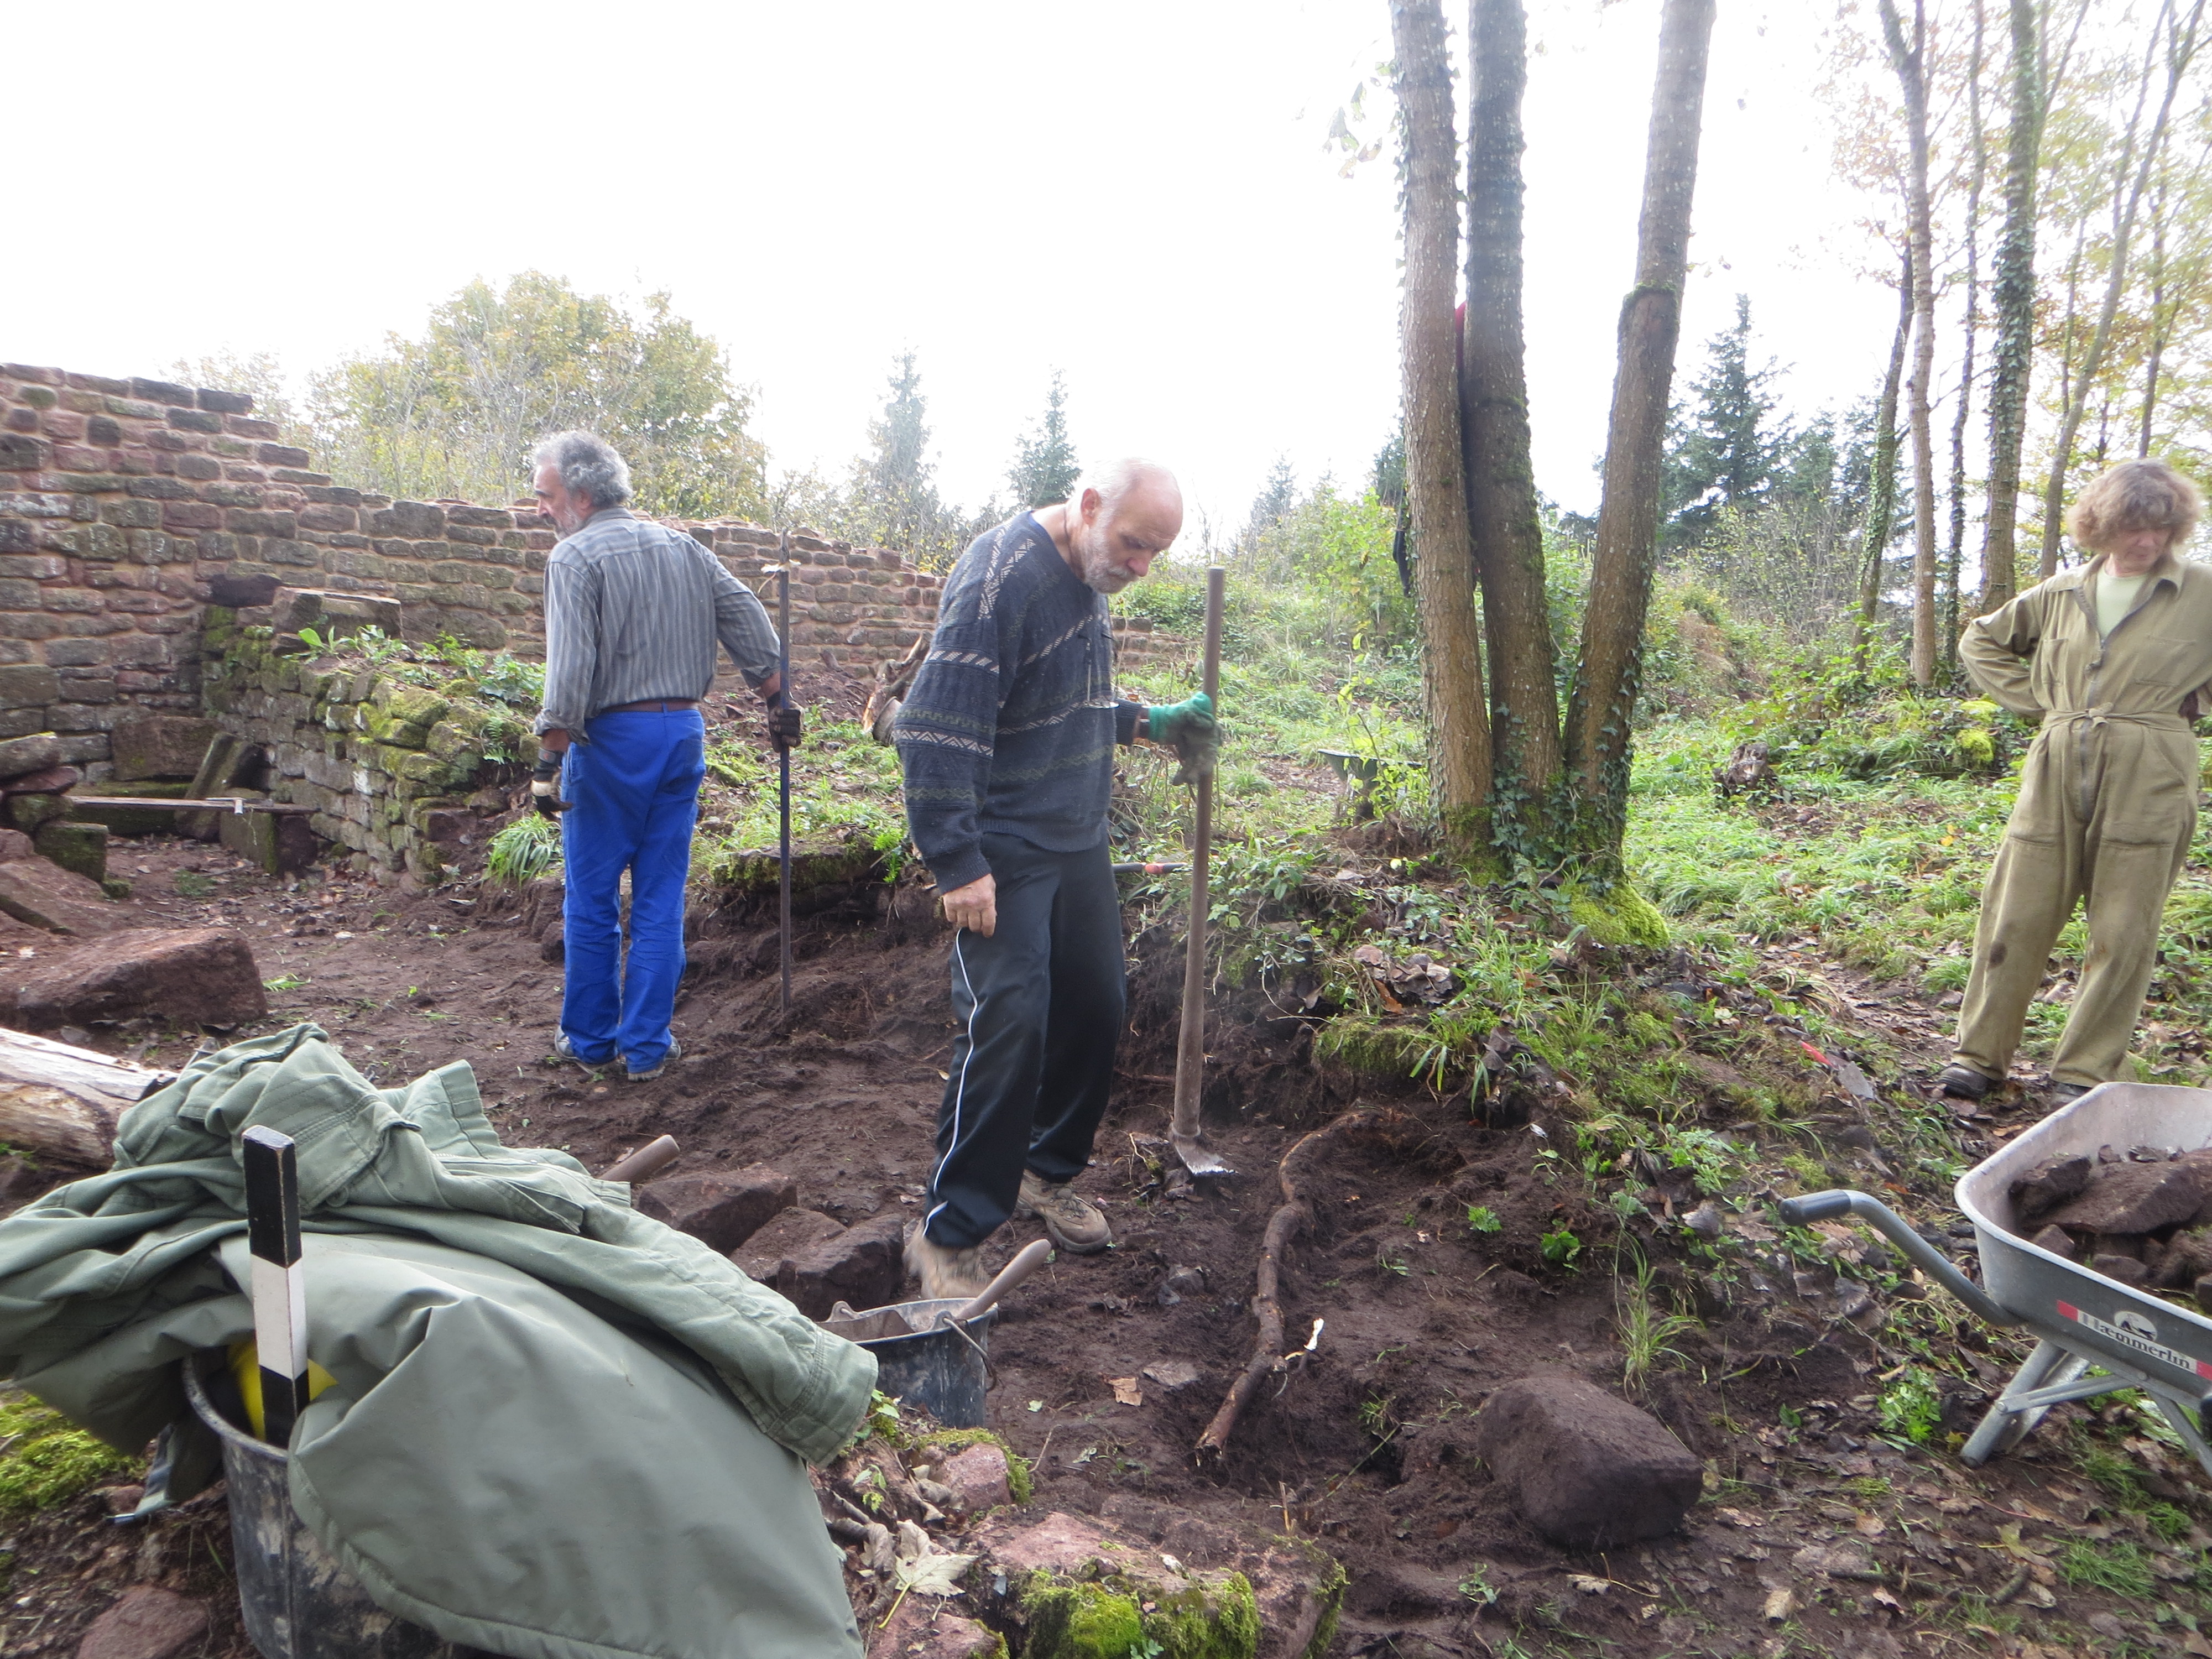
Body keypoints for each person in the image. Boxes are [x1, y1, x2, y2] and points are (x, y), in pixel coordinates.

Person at [893, 459, 1219, 1298]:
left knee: (1096, 1006)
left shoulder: (1089, 573)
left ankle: (1044, 1170)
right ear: (1088, 505)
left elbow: (1059, 702)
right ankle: (949, 1234)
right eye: (1135, 543)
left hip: (1075, 836)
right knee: (1007, 1022)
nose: (1140, 565)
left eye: (1156, 553)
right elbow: (931, 726)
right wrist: (958, 862)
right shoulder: (1001, 580)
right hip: (1003, 842)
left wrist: (1149, 722)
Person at [529, 431, 798, 1082]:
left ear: (582, 495)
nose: (540, 508)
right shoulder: (685, 549)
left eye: (546, 495)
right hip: (681, 734)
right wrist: (777, 699)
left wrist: (547, 762)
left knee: (592, 897)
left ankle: (592, 1042)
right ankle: (647, 1048)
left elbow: (570, 671)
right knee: (659, 894)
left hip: (612, 744)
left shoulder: (574, 558)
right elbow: (747, 617)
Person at [1942, 457, 2211, 1104]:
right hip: (2056, 762)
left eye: (2160, 528)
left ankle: (2083, 1072)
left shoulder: (2202, 592)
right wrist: (2038, 701)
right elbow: (1980, 641)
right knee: (2017, 911)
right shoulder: (2060, 592)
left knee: (2124, 928)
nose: (2146, 540)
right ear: (2102, 526)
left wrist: (2196, 700)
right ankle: (1979, 1057)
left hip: (2151, 769)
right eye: (2132, 527)